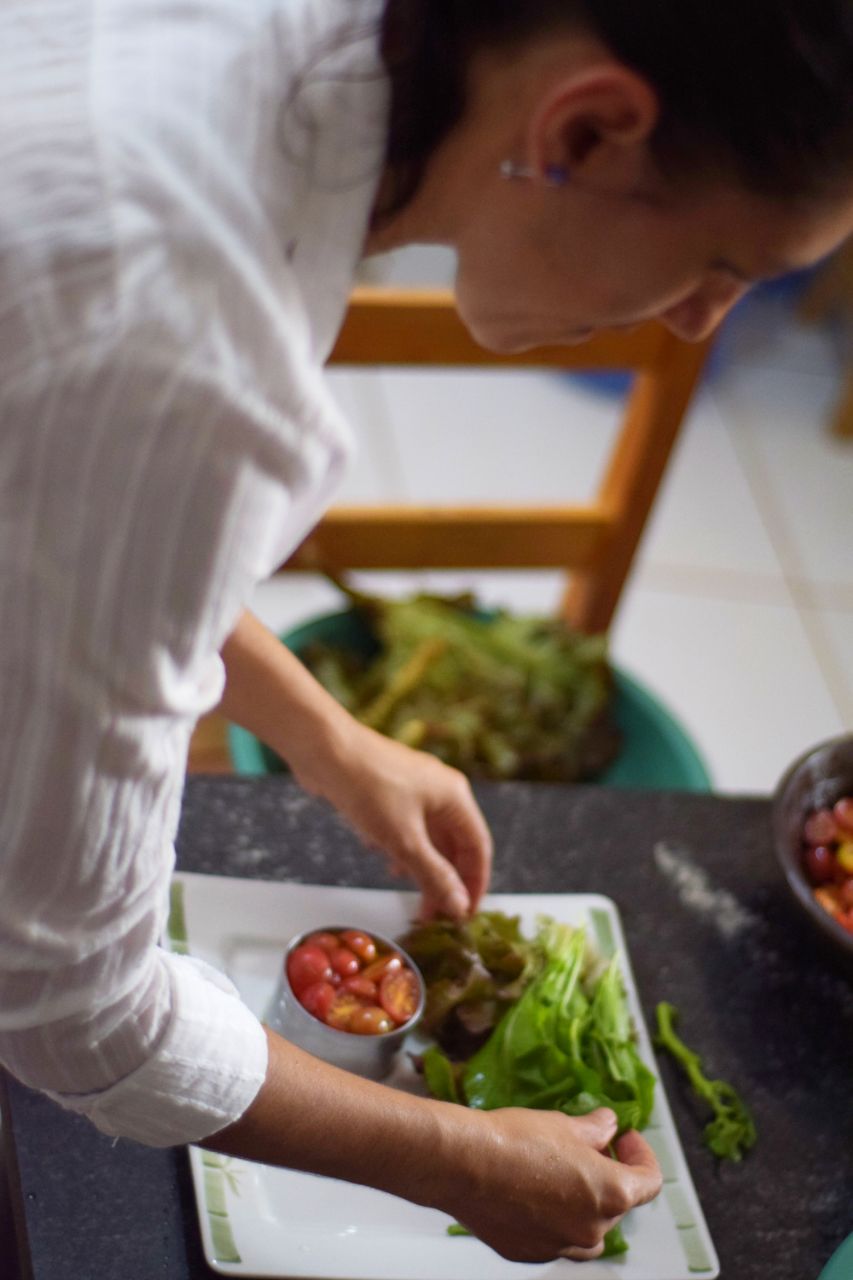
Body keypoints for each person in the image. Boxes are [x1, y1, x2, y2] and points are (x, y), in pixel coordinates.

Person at [2, 0, 853, 1262]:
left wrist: (325, 734)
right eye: (724, 264)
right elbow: (67, 1000)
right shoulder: (189, 354)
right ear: (586, 129)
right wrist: (459, 1157)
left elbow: (57, 533)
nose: (700, 322)